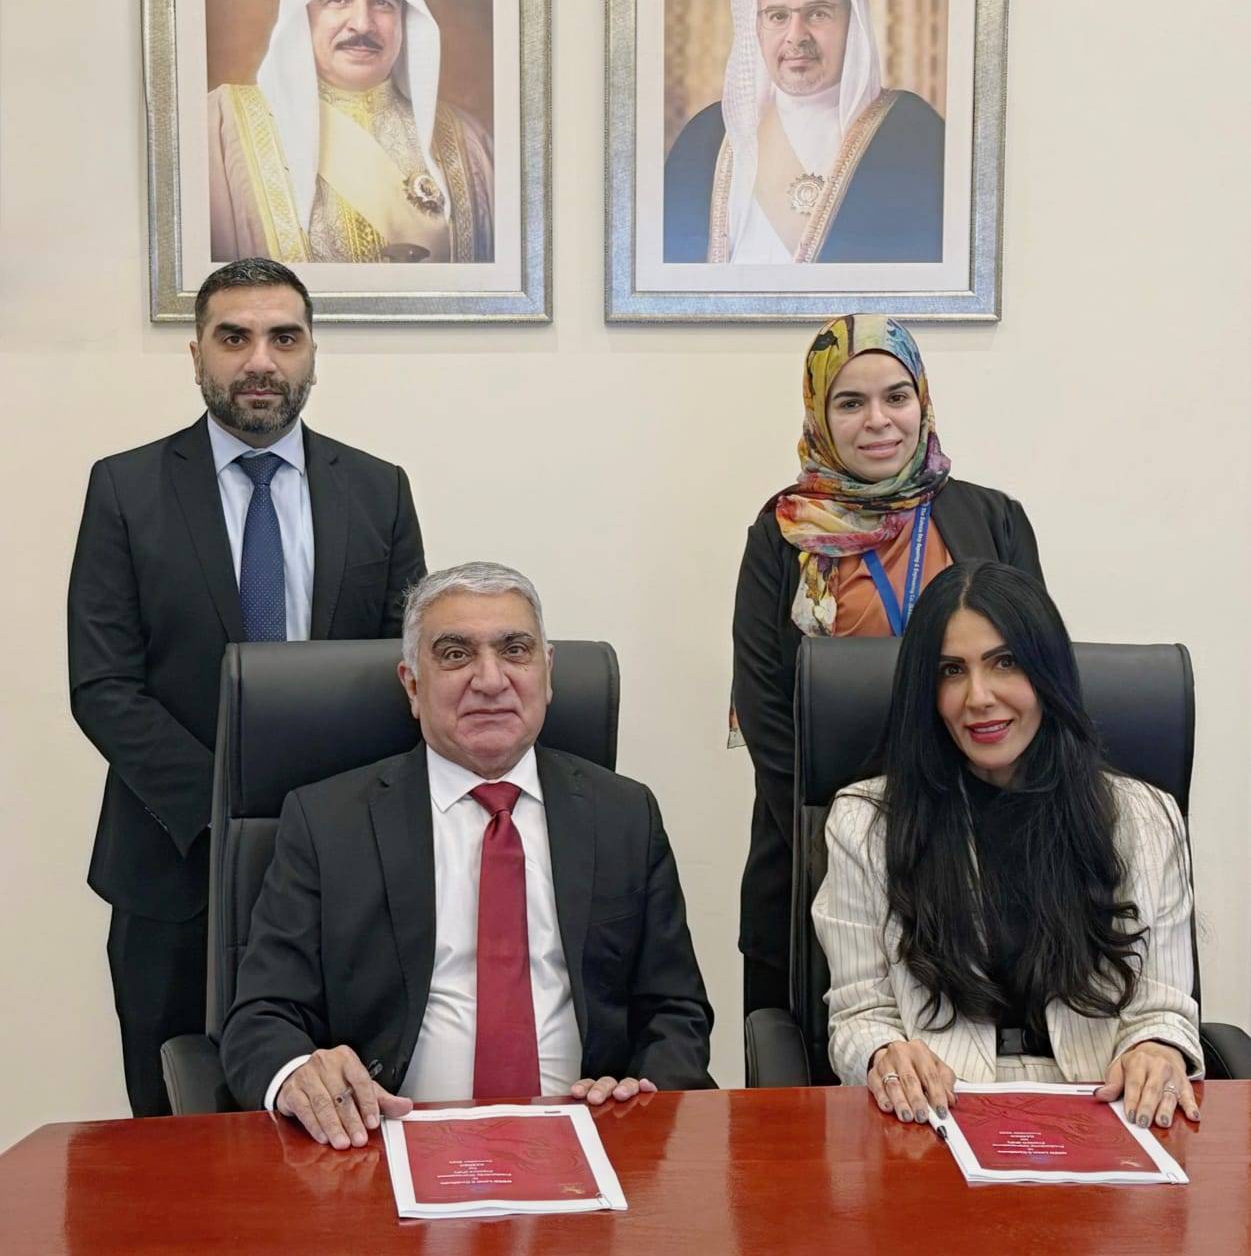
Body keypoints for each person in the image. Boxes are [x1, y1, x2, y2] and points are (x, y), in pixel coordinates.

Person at [68, 257, 426, 1118]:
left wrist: (318, 824)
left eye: (283, 338)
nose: (260, 360)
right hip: (173, 863)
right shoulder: (125, 487)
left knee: (341, 1121)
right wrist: (227, 816)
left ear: (312, 354)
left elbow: (405, 674)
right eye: (234, 337)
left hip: (344, 867)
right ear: (197, 355)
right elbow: (103, 683)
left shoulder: (377, 490)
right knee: (173, 1128)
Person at [220, 562, 715, 1145]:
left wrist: (640, 1094)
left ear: (547, 674)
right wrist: (300, 1074)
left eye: (515, 650)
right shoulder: (326, 822)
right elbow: (261, 1018)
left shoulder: (624, 815)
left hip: (589, 1139)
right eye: (455, 654)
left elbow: (675, 1011)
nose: (490, 679)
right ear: (411, 684)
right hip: (383, 1142)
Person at [814, 561, 1203, 1129]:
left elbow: (1163, 1009)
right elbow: (860, 1012)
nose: (979, 697)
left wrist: (1157, 1049)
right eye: (951, 670)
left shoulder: (1144, 818)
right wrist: (883, 1053)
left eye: (1005, 662)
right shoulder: (866, 823)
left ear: (1047, 673)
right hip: (937, 1115)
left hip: (1102, 1111)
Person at [732, 313, 1043, 1018]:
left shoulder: (994, 520)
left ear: (921, 401)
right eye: (850, 402)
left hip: (983, 850)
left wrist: (961, 829)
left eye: (895, 396)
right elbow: (765, 710)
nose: (878, 420)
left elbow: (1033, 680)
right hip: (819, 851)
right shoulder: (783, 531)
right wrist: (854, 838)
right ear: (820, 413)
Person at [208, 0, 493, 264]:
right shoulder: (221, 127)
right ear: (302, 16)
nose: (362, 23)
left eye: (383, 2)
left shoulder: (466, 140)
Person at [664, 0, 944, 264]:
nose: (796, 36)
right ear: (757, 30)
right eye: (778, 16)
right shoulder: (707, 135)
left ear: (853, 26)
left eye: (818, 14)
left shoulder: (912, 133)